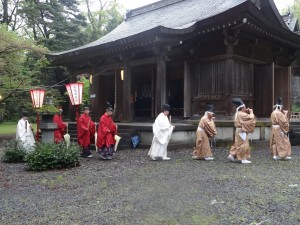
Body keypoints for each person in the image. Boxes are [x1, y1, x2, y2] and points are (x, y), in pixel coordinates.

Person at [227, 98, 256, 164]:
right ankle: (243, 158)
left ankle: (231, 154)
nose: (245, 108)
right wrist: (251, 112)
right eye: (245, 107)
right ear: (242, 107)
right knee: (243, 144)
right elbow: (251, 117)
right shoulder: (242, 114)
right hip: (241, 131)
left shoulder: (238, 113)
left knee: (237, 143)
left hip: (238, 130)